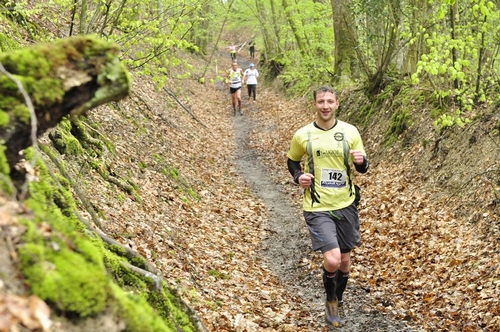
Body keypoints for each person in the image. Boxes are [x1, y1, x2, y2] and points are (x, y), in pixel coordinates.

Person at [286, 86, 369, 327]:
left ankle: (339, 299)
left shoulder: (350, 131)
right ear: (314, 104)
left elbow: (362, 167)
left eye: (329, 101)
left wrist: (362, 162)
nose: (325, 105)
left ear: (337, 104)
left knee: (344, 261)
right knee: (332, 260)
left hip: (346, 203)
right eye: (321, 101)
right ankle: (330, 300)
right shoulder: (303, 135)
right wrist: (298, 176)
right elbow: (292, 160)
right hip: (316, 205)